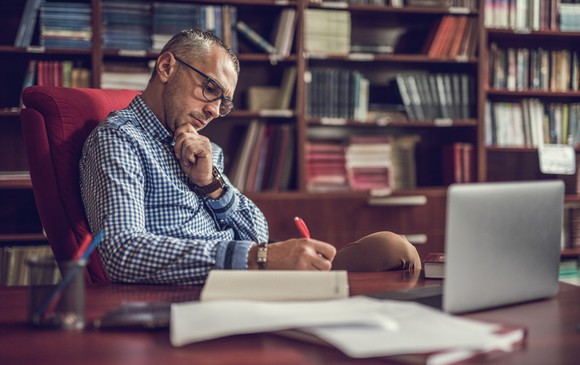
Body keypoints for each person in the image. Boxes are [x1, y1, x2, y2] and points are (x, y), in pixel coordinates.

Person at [80, 29, 421, 284]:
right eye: (210, 89)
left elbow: (257, 229)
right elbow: (122, 254)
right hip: (212, 288)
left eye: (223, 102)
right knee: (391, 257)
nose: (213, 110)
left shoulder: (199, 148)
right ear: (167, 67)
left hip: (252, 274)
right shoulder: (120, 139)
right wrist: (257, 258)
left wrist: (211, 185)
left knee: (394, 250)